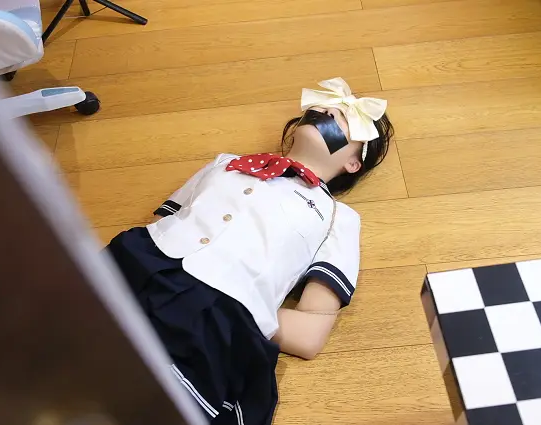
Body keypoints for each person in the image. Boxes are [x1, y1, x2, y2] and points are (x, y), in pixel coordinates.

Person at [106, 77, 394, 425]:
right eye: (322, 106)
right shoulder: (225, 163)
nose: (327, 111)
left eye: (346, 118)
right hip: (137, 262)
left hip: (214, 320)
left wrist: (249, 312)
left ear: (353, 163)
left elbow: (310, 332)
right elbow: (170, 217)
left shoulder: (338, 218)